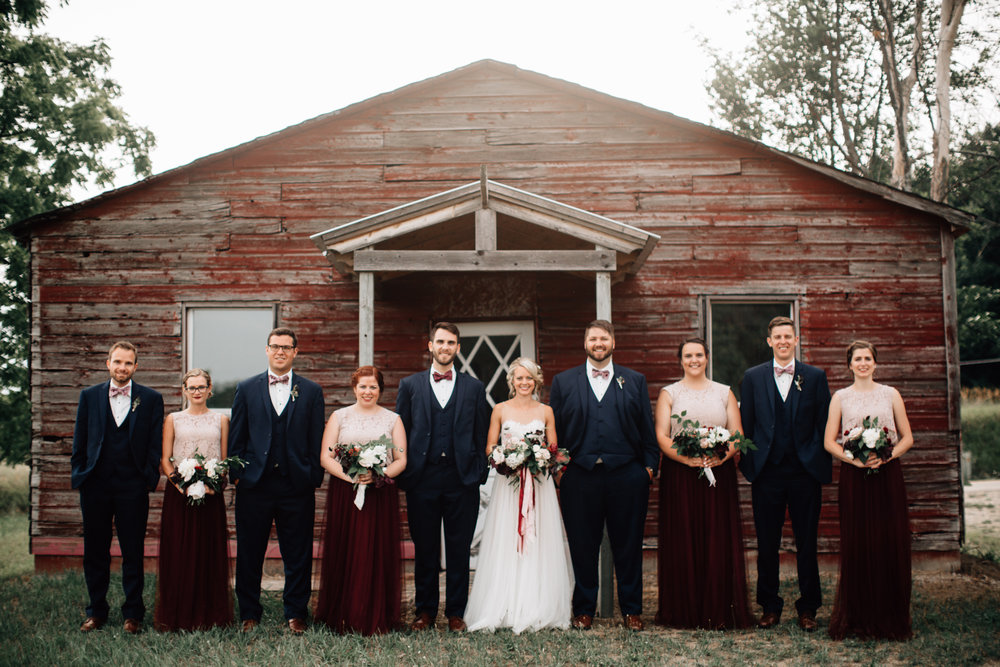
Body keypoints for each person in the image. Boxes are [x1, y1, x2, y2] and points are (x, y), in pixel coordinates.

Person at [549, 319, 659, 631]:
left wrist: (648, 470)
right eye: (593, 338)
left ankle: (632, 610)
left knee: (628, 545)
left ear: (613, 343)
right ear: (585, 343)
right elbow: (553, 432)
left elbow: (646, 430)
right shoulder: (564, 381)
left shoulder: (633, 380)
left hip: (627, 475)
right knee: (583, 546)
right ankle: (584, 610)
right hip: (579, 477)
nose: (599, 343)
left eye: (604, 338)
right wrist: (559, 472)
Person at [465, 358, 574, 633]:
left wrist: (539, 458)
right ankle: (504, 605)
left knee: (539, 539)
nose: (524, 383)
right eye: (519, 378)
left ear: (536, 381)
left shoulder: (546, 410)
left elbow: (553, 448)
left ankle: (539, 605)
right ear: (511, 381)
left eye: (529, 378)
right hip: (509, 486)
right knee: (507, 539)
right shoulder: (500, 410)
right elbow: (490, 446)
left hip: (538, 485)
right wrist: (506, 458)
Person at [228, 327, 325, 635]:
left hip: (296, 485)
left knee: (298, 553)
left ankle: (296, 612)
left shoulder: (311, 391)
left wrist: (312, 476)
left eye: (287, 347)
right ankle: (249, 613)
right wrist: (238, 475)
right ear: (266, 350)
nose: (281, 351)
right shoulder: (246, 388)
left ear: (296, 352)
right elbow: (237, 437)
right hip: (254, 485)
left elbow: (315, 438)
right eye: (275, 346)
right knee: (249, 552)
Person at [395, 321, 491, 632]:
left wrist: (477, 472)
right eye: (440, 342)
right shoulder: (410, 385)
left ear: (458, 348)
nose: (445, 347)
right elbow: (402, 433)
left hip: (461, 480)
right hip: (422, 479)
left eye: (451, 343)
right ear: (430, 346)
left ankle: (456, 613)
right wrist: (406, 471)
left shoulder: (475, 388)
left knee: (459, 549)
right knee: (424, 549)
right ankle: (424, 611)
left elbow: (482, 433)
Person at [739, 316, 831, 632]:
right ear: (769, 341)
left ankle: (808, 609)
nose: (782, 341)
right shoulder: (752, 378)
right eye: (777, 336)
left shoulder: (815, 377)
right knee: (767, 543)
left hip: (805, 473)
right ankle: (770, 606)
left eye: (787, 336)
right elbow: (746, 425)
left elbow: (824, 423)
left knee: (807, 542)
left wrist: (815, 460)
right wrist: (753, 467)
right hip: (767, 474)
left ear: (795, 339)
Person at [654, 338, 752, 629]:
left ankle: (718, 607)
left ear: (707, 357)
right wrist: (687, 460)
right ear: (680, 359)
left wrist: (722, 457)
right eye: (688, 355)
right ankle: (684, 610)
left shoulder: (724, 392)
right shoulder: (669, 393)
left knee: (716, 537)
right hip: (680, 475)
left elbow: (736, 434)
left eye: (698, 354)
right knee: (683, 536)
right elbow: (662, 435)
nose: (693, 360)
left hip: (717, 474)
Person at [71, 341, 164, 634]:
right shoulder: (89, 396)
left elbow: (154, 441)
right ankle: (96, 611)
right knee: (95, 550)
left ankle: (133, 614)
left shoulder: (150, 399)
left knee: (132, 550)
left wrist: (148, 477)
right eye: (118, 362)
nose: (122, 368)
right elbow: (80, 439)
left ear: (136, 367)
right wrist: (80, 473)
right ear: (107, 363)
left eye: (128, 363)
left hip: (132, 486)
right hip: (95, 484)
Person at [824, 341, 914, 640]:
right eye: (857, 359)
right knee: (859, 541)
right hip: (854, 477)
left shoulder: (891, 394)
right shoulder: (840, 397)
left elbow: (907, 437)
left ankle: (890, 615)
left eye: (868, 358)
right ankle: (859, 616)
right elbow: (829, 441)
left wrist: (886, 456)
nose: (863, 363)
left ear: (876, 363)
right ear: (849, 364)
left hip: (887, 475)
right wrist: (854, 459)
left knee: (889, 539)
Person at [315, 365, 407, 635]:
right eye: (363, 386)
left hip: (380, 493)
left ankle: (377, 613)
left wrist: (379, 476)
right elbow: (325, 457)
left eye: (373, 387)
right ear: (354, 388)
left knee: (376, 550)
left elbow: (401, 459)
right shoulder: (339, 417)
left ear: (380, 389)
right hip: (346, 492)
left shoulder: (393, 419)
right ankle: (343, 613)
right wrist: (352, 477)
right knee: (347, 548)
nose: (368, 391)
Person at [154, 369, 233, 631]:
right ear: (184, 391)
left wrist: (214, 485)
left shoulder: (221, 419)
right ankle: (178, 613)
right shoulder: (173, 419)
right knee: (180, 550)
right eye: (192, 387)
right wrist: (181, 486)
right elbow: (165, 460)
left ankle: (210, 614)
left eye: (202, 387)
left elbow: (223, 461)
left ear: (210, 389)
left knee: (208, 552)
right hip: (180, 494)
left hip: (211, 495)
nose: (197, 391)